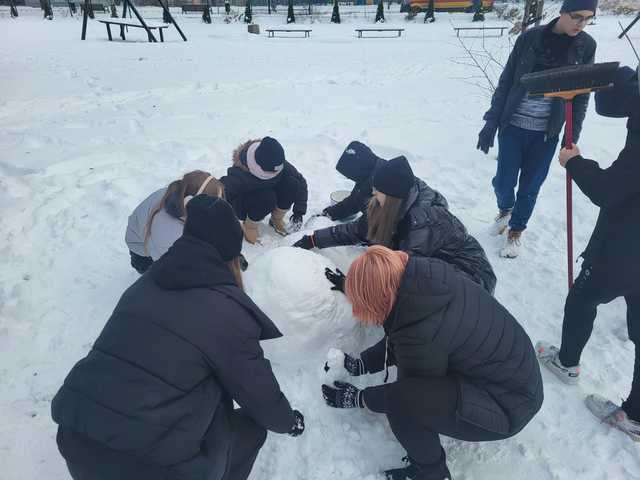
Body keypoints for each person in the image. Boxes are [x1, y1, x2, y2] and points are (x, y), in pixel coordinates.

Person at [52, 195, 305, 480]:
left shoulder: (143, 285)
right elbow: (260, 398)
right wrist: (288, 421)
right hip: (151, 467)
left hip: (77, 443)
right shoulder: (227, 314)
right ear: (231, 255)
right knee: (251, 428)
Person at [321, 245, 543, 480]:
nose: (356, 311)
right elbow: (403, 332)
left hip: (507, 404)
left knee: (404, 405)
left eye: (361, 304)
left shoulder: (422, 331)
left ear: (379, 299)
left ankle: (430, 473)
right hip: (511, 377)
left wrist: (361, 398)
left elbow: (409, 396)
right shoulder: (421, 285)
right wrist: (363, 363)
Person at [536, 65, 640, 441]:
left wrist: (574, 163)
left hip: (626, 246)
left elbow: (612, 189)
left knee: (583, 296)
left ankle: (566, 363)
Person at [477, 0, 597, 258]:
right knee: (503, 182)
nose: (582, 24)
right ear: (563, 11)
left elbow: (581, 96)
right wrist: (491, 121)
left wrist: (571, 136)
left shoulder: (586, 47)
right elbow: (507, 80)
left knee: (531, 186)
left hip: (547, 132)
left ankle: (516, 231)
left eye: (588, 19)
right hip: (513, 126)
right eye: (577, 16)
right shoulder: (530, 39)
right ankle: (505, 210)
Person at [294, 155, 497, 294]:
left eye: (377, 190)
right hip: (435, 267)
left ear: (392, 195)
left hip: (469, 278)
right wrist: (313, 239)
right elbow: (358, 230)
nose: (373, 193)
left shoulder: (421, 224)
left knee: (411, 303)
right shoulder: (392, 201)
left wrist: (353, 287)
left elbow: (402, 278)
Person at [125, 170, 247, 274]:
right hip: (145, 257)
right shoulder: (166, 230)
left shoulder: (181, 194)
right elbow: (170, 266)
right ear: (190, 202)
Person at [220, 136, 308, 244]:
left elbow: (300, 182)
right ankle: (250, 227)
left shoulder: (276, 163)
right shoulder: (242, 173)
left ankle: (276, 219)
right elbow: (219, 191)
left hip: (268, 195)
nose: (277, 172)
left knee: (292, 184)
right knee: (267, 197)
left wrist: (299, 211)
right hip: (246, 204)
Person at [321, 141, 386, 222]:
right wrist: (330, 213)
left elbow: (363, 227)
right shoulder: (367, 178)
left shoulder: (384, 188)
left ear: (359, 169)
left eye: (351, 174)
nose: (350, 178)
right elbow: (353, 201)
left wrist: (327, 233)